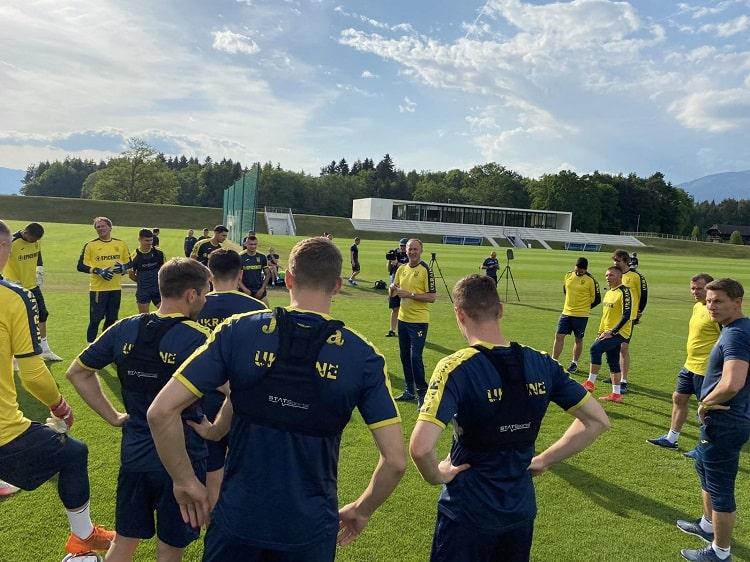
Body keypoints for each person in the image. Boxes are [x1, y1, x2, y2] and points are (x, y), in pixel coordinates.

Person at [147, 237, 406, 561]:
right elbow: (395, 461)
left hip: (237, 521)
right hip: (309, 529)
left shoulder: (238, 331)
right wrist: (362, 508)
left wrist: (184, 481)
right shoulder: (363, 356)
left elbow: (160, 411)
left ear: (288, 279)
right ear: (338, 286)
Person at [410, 274, 609, 562]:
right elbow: (597, 420)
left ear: (459, 314)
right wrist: (545, 460)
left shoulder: (455, 367)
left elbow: (420, 447)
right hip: (520, 510)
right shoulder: (542, 362)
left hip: (468, 511)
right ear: (500, 310)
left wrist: (438, 475)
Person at [66, 257, 213, 561]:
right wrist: (216, 428)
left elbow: (77, 372)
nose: (205, 300)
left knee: (124, 540)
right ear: (191, 295)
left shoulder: (125, 327)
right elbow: (232, 391)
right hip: (182, 461)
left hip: (135, 457)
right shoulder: (201, 339)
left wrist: (113, 417)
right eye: (204, 293)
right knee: (170, 547)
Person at [0, 219, 115, 557]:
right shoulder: (11, 297)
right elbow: (33, 373)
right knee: (73, 453)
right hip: (3, 432)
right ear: (4, 248)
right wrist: (59, 406)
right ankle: (84, 537)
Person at [677, 278, 750, 562]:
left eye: (718, 301)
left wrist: (705, 402)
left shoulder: (735, 334)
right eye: (708, 301)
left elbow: (732, 382)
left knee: (720, 487)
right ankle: (707, 525)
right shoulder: (738, 328)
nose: (711, 306)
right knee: (703, 466)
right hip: (726, 420)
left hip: (726, 422)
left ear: (737, 302)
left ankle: (720, 552)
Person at [197, 249, 266, 508]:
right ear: (240, 274)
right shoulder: (258, 309)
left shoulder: (196, 305)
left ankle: (214, 522)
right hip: (245, 400)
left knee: (212, 473)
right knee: (246, 469)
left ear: (209, 273)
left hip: (202, 398)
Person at [648, 274, 721, 456]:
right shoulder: (697, 307)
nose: (695, 292)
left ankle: (705, 448)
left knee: (706, 409)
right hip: (689, 365)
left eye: (699, 288)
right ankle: (671, 439)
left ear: (710, 288)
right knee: (679, 398)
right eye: (692, 288)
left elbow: (726, 339)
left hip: (706, 369)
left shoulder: (716, 312)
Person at [2, 221, 62, 361]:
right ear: (26, 232)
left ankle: (44, 350)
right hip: (15, 287)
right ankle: (12, 355)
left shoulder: (36, 241)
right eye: (32, 239)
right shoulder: (11, 242)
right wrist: (6, 280)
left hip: (32, 285)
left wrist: (39, 270)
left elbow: (38, 255)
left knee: (43, 314)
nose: (34, 242)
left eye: (36, 240)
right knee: (16, 320)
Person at [390, 238, 437, 406]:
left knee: (415, 357)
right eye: (410, 249)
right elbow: (393, 292)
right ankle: (409, 390)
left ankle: (422, 393)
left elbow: (432, 297)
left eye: (415, 249)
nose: (412, 252)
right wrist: (392, 289)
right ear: (406, 251)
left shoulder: (426, 270)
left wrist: (410, 295)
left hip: (419, 321)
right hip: (403, 319)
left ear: (421, 251)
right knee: (404, 357)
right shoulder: (401, 269)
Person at [77, 216, 132, 343]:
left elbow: (130, 262)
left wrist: (124, 267)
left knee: (112, 319)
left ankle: (104, 344)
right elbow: (80, 266)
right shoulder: (90, 245)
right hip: (98, 289)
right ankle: (89, 346)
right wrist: (98, 271)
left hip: (115, 288)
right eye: (98, 227)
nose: (100, 229)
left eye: (103, 226)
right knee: (95, 319)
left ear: (110, 227)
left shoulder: (121, 244)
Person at [582, 266, 632, 403]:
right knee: (612, 361)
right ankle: (616, 394)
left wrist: (613, 331)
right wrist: (600, 332)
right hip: (608, 332)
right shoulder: (609, 292)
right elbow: (605, 316)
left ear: (620, 276)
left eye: (611, 275)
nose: (607, 278)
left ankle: (590, 383)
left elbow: (627, 315)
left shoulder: (625, 292)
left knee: (595, 349)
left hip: (620, 333)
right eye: (606, 275)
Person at [552, 257, 601, 373]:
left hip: (581, 315)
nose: (579, 271)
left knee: (578, 339)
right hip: (566, 313)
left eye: (582, 270)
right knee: (559, 336)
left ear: (586, 269)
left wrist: (584, 308)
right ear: (575, 266)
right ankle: (554, 361)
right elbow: (566, 290)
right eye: (578, 269)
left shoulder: (591, 280)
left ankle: (574, 363)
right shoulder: (568, 275)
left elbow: (597, 299)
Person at [612, 249, 648, 393]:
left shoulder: (636, 276)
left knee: (623, 348)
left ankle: (623, 380)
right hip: (614, 317)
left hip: (628, 318)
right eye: (614, 260)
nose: (615, 263)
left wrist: (638, 313)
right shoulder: (615, 274)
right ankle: (615, 374)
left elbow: (643, 296)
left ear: (626, 261)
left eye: (618, 260)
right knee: (613, 347)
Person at [130, 228, 166, 313]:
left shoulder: (159, 253)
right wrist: (142, 281)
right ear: (139, 240)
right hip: (143, 291)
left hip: (158, 289)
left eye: (151, 240)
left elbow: (165, 270)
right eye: (147, 240)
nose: (150, 243)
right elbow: (131, 275)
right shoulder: (134, 257)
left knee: (167, 314)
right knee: (144, 317)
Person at [385, 238, 409, 337]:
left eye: (404, 246)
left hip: (405, 284)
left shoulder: (409, 254)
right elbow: (389, 270)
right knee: (395, 308)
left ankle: (406, 331)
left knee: (406, 309)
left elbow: (408, 267)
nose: (402, 247)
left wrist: (398, 263)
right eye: (401, 245)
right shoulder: (395, 253)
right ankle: (392, 330)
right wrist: (390, 261)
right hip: (394, 283)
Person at [238, 235, 270, 305]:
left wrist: (262, 289)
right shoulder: (240, 257)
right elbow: (235, 276)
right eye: (251, 244)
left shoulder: (262, 256)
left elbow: (267, 274)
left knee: (266, 309)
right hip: (245, 290)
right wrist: (244, 289)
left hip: (259, 289)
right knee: (244, 310)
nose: (253, 246)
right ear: (245, 244)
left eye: (255, 244)